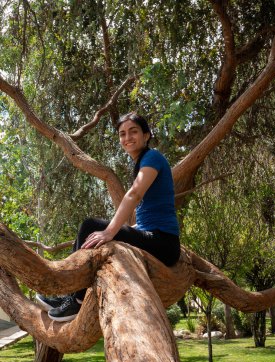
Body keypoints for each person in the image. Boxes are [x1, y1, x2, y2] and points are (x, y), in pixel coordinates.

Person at [36, 112, 180, 322]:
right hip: (155, 236)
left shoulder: (152, 157)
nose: (127, 137)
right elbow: (151, 210)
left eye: (133, 131)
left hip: (164, 244)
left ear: (146, 135)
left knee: (90, 226)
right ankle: (68, 293)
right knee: (90, 230)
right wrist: (127, 230)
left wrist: (110, 231)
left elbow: (135, 194)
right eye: (122, 134)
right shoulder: (143, 161)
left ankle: (75, 300)